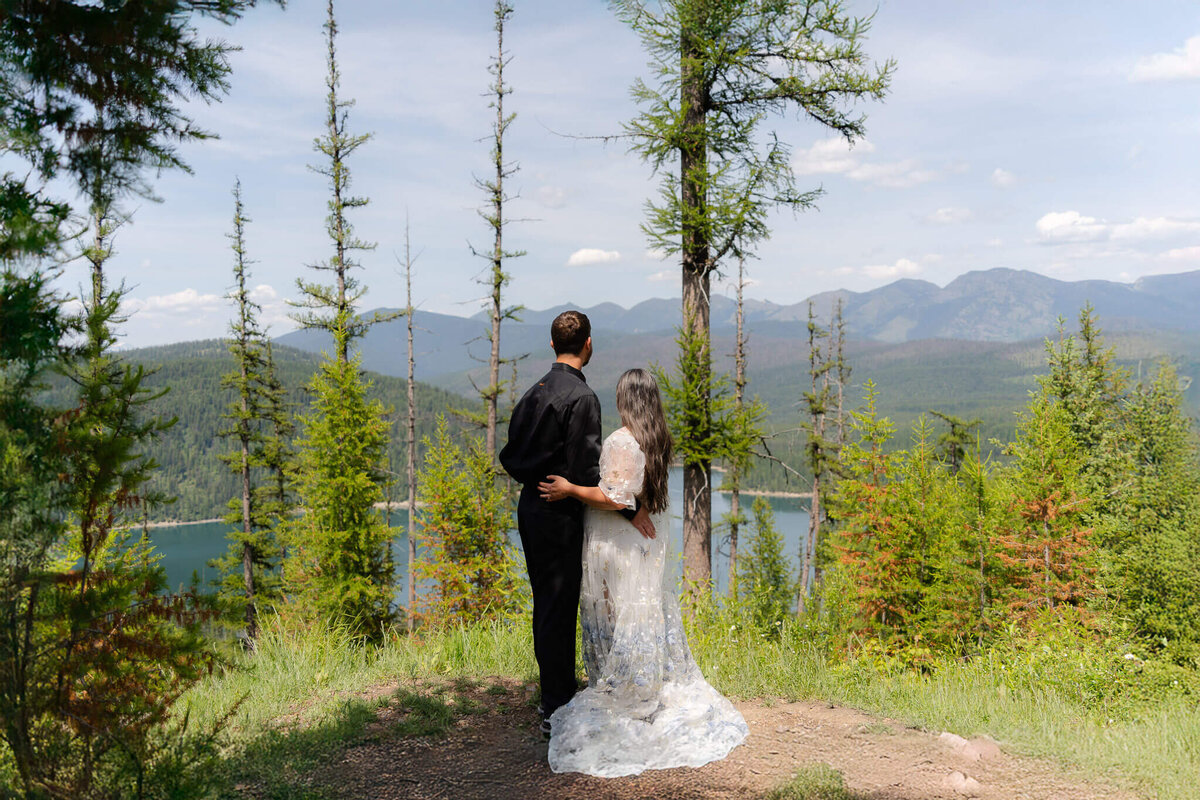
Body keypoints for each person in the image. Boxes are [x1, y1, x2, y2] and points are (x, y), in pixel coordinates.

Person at [537, 368, 748, 778]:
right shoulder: (656, 438)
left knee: (614, 614)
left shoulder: (621, 440)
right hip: (640, 541)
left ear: (625, 400)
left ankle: (623, 692)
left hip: (616, 539)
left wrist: (570, 490)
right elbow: (639, 496)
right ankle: (637, 686)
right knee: (637, 613)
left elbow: (615, 498)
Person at [499, 311, 655, 739]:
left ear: (552, 346)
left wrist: (537, 481)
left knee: (546, 605)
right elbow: (589, 474)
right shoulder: (582, 399)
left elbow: (510, 456)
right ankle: (557, 706)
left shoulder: (534, 394)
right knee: (559, 606)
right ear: (589, 344)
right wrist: (630, 508)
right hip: (561, 514)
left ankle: (554, 695)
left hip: (531, 507)